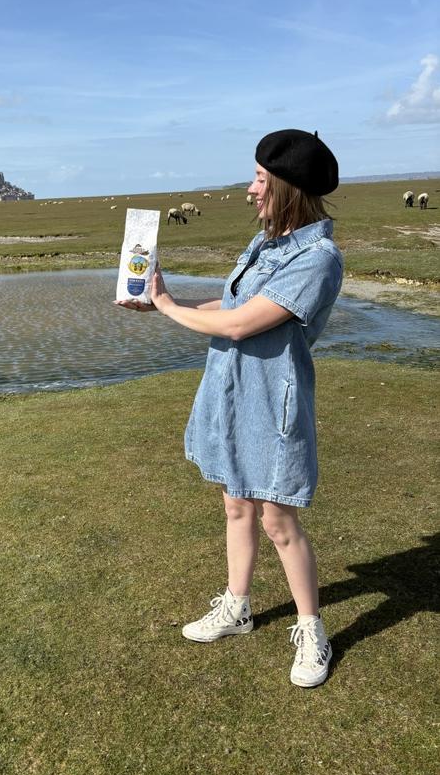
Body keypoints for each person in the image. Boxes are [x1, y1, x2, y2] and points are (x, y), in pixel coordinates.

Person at [116, 129, 343, 687]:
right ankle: (237, 608)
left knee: (278, 519)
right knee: (236, 506)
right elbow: (234, 303)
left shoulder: (318, 258)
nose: (250, 189)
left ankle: (312, 631)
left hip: (272, 399)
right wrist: (165, 301)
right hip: (229, 390)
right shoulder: (266, 243)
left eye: (261, 179)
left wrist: (168, 306)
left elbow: (242, 325)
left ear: (288, 187)